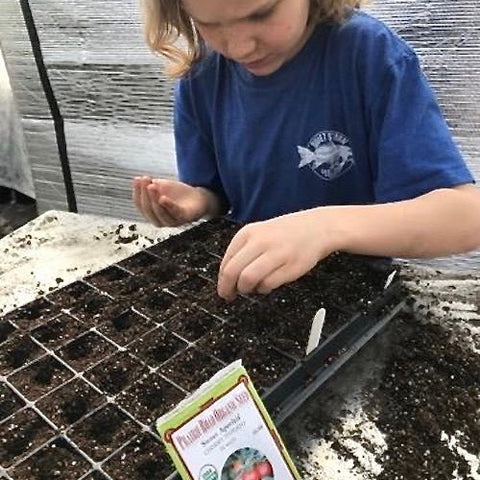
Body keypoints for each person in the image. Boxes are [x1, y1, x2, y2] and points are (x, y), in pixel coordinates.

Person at [133, 0, 480, 302]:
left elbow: (465, 216)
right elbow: (219, 195)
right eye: (208, 23)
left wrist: (324, 228)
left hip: (351, 295)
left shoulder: (368, 54)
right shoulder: (202, 75)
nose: (239, 47)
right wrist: (197, 200)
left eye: (261, 14)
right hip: (249, 286)